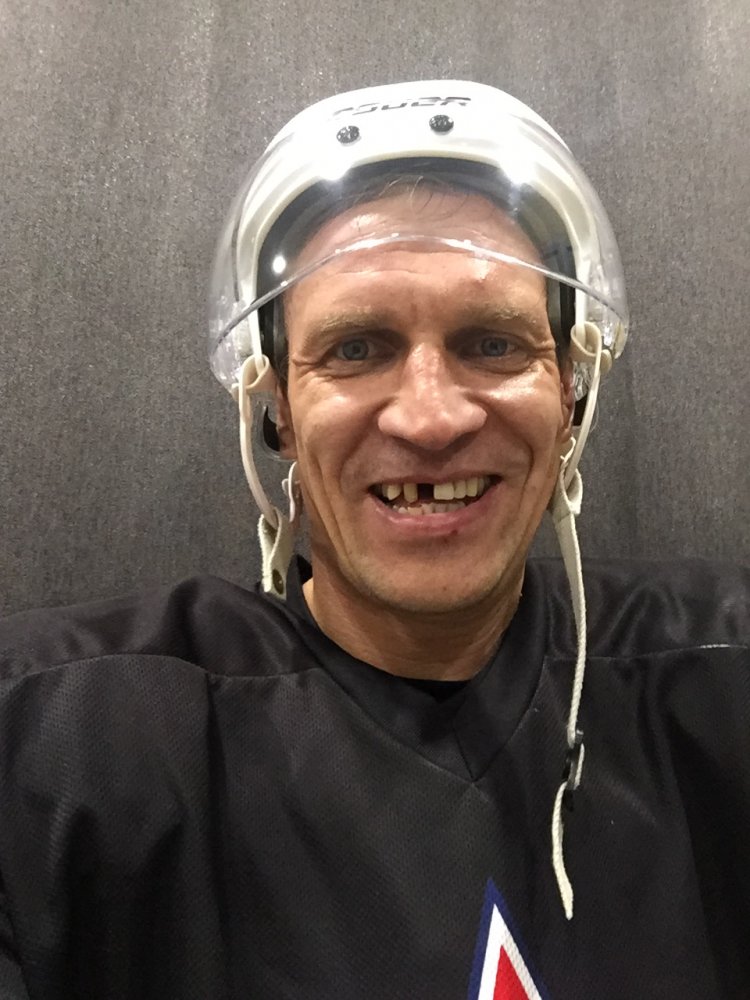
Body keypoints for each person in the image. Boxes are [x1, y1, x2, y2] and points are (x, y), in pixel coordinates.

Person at [0, 80, 747, 1000]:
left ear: (571, 394)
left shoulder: (722, 688)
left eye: (494, 344)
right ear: (276, 406)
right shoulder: (53, 751)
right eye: (356, 349)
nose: (430, 418)